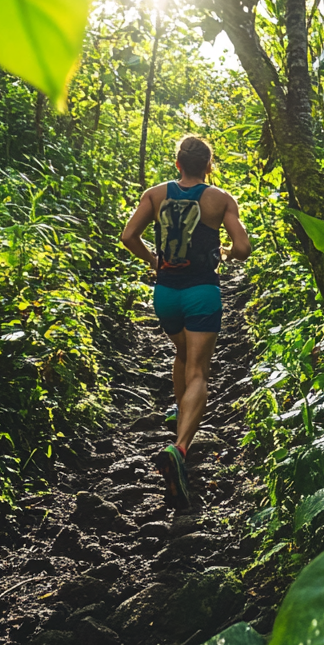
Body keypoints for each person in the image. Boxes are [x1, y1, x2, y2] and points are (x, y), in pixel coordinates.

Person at [120, 135, 251, 509]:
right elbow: (242, 249)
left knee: (181, 353)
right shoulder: (220, 199)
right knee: (199, 372)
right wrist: (225, 251)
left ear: (177, 163)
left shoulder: (155, 194)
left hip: (166, 295)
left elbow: (129, 236)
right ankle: (179, 447)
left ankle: (180, 412)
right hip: (202, 293)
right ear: (208, 166)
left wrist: (154, 262)